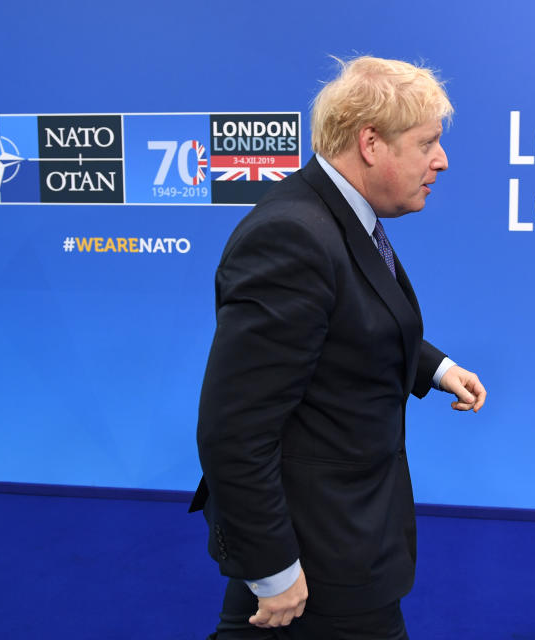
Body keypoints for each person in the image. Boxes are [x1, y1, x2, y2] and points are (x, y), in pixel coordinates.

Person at [190, 55, 487, 639]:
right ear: (371, 142)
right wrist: (271, 567)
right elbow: (234, 427)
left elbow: (350, 321)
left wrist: (434, 367)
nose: (441, 160)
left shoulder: (342, 216)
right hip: (316, 554)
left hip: (349, 541)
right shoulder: (294, 236)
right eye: (427, 142)